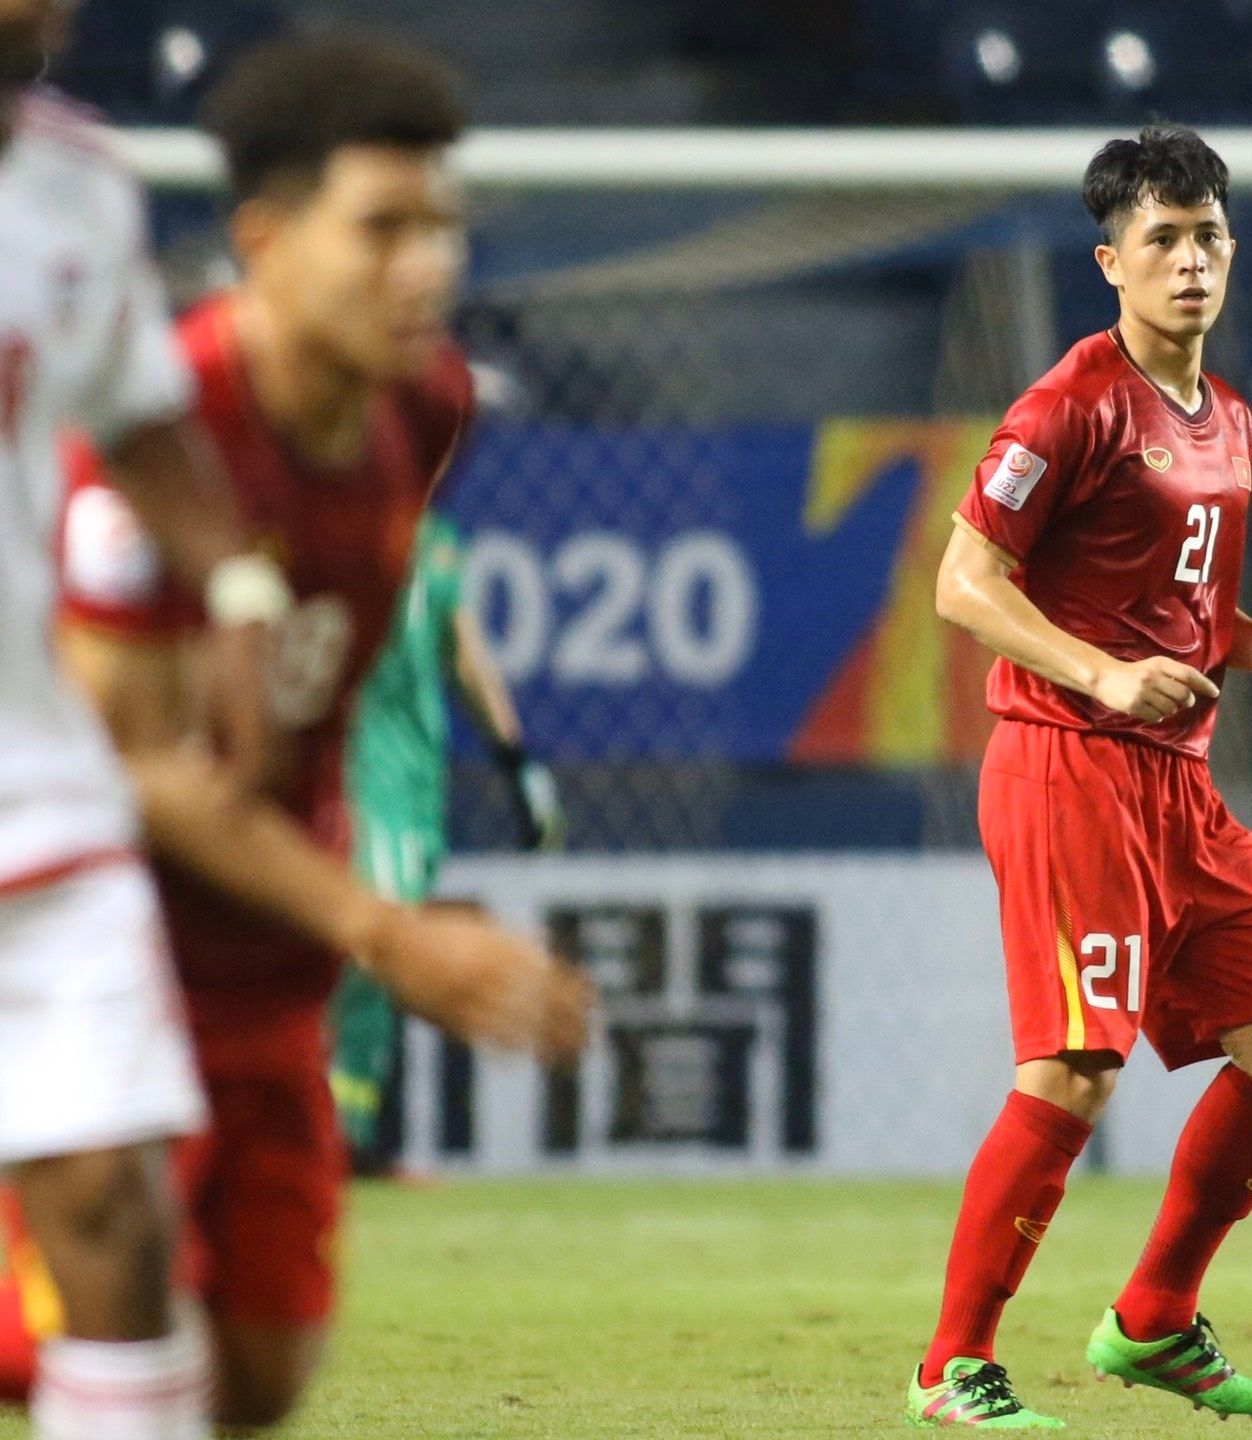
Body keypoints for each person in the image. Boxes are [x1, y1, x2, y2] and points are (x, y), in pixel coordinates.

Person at [37, 31, 591, 1429]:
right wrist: (392, 932)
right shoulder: (159, 438)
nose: (426, 268)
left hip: (269, 972)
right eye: (382, 230)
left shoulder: (429, 403)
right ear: (263, 238)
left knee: (260, 1375)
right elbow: (149, 767)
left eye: (443, 229)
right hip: (102, 952)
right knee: (103, 1301)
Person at [912, 123, 1252, 1429]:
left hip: (1179, 780)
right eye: (1164, 239)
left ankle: (1155, 1320)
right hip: (1067, 767)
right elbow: (964, 585)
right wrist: (1098, 673)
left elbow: (1192, 620)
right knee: (1073, 1068)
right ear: (1110, 258)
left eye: (1209, 237)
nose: (1190, 261)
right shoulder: (1067, 407)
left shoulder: (1225, 418)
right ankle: (952, 1367)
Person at [0, 2, 282, 1434]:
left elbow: (141, 418)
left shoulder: (78, 188)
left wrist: (234, 583)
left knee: (116, 1208)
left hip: (34, 776)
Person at [333, 506, 563, 1172]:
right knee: (368, 937)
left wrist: (516, 764)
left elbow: (463, 651)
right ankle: (343, 1139)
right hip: (354, 772)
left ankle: (347, 1128)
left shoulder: (432, 540)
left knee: (380, 942)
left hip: (414, 782)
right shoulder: (339, 512)